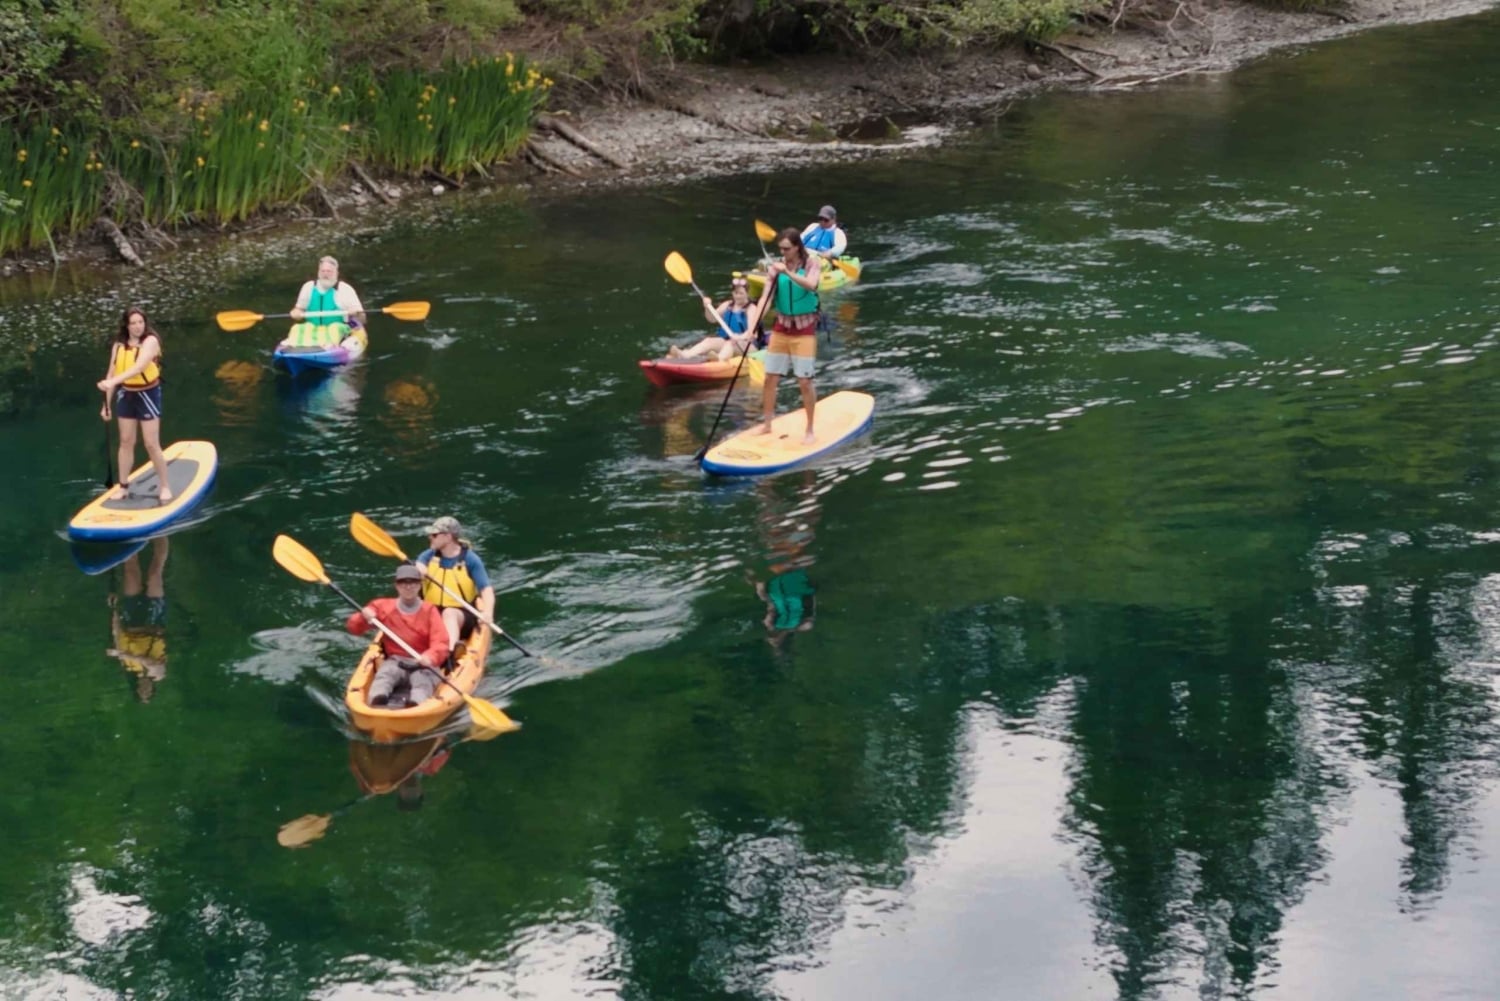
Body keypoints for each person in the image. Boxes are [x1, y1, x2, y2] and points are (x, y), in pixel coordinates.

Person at [346, 563, 451, 708]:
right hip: (395, 661)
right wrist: (362, 617)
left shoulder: (430, 611)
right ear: (396, 586)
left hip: (423, 664)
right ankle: (377, 703)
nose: (408, 587)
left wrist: (430, 657)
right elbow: (354, 628)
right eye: (403, 583)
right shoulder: (382, 607)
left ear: (419, 585)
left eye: (413, 582)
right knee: (385, 676)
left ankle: (415, 707)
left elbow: (441, 643)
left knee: (422, 684)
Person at [753, 228, 823, 443]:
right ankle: (767, 425)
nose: (783, 253)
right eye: (780, 249)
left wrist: (788, 273)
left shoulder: (812, 263)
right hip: (782, 327)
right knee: (770, 378)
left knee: (804, 381)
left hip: (804, 328)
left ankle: (810, 430)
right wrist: (752, 327)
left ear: (797, 247)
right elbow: (765, 299)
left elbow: (812, 285)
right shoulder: (776, 268)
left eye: (787, 249)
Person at [97, 306, 171, 503]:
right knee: (126, 441)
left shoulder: (151, 341)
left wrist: (112, 382)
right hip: (127, 394)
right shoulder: (119, 345)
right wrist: (106, 404)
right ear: (126, 326)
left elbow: (139, 367)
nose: (138, 326)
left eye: (141, 322)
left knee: (151, 444)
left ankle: (165, 485)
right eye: (133, 323)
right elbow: (111, 374)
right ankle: (123, 487)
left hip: (148, 394)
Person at [413, 516, 495, 650]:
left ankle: (449, 652)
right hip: (432, 613)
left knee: (449, 613)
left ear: (448, 537)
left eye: (434, 534)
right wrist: (418, 570)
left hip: (462, 614)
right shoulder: (427, 556)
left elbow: (486, 590)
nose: (430, 537)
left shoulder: (471, 560)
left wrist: (488, 613)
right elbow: (418, 567)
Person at [106, 537, 169, 702]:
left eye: (142, 691)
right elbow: (152, 663)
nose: (145, 688)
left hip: (131, 621)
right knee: (155, 574)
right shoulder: (158, 675)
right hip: (153, 623)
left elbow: (117, 635)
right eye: (147, 691)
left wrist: (114, 610)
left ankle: (129, 536)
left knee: (130, 571)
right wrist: (123, 654)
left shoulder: (127, 666)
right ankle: (161, 533)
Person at [668, 273, 763, 362]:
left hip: (748, 346)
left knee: (730, 344)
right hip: (728, 342)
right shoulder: (728, 305)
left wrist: (738, 337)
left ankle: (719, 360)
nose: (737, 296)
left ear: (747, 293)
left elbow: (752, 334)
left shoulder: (751, 309)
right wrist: (707, 307)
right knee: (709, 341)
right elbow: (712, 319)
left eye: (741, 293)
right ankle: (685, 355)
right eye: (735, 293)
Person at [281, 255, 366, 350]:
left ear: (336, 273)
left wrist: (355, 313)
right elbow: (299, 309)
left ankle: (329, 348)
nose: (325, 274)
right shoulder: (308, 287)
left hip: (339, 327)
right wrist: (296, 312)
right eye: (323, 271)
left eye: (329, 271)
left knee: (334, 328)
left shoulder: (345, 289)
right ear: (318, 272)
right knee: (297, 328)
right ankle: (294, 347)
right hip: (314, 327)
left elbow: (362, 318)